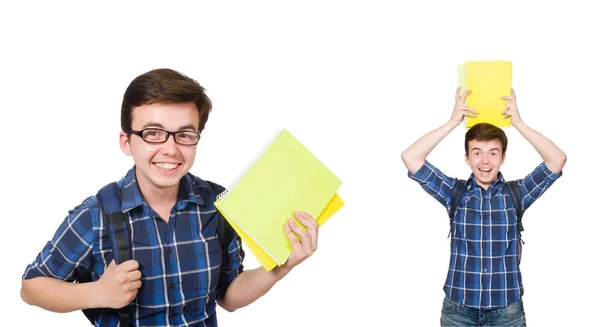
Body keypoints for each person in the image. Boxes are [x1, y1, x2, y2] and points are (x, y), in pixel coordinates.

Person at [21, 68, 320, 327]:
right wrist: (96, 293)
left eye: (185, 135)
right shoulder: (96, 215)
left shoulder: (218, 204)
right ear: (127, 142)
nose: (171, 149)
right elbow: (31, 287)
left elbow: (229, 296)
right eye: (153, 133)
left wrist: (281, 266)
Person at [401, 87, 567, 326]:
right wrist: (452, 122)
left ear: (503, 157)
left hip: (506, 313)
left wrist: (518, 122)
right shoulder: (454, 193)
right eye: (477, 153)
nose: (485, 161)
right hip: (458, 311)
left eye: (493, 153)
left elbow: (556, 160)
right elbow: (411, 157)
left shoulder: (516, 194)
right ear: (467, 158)